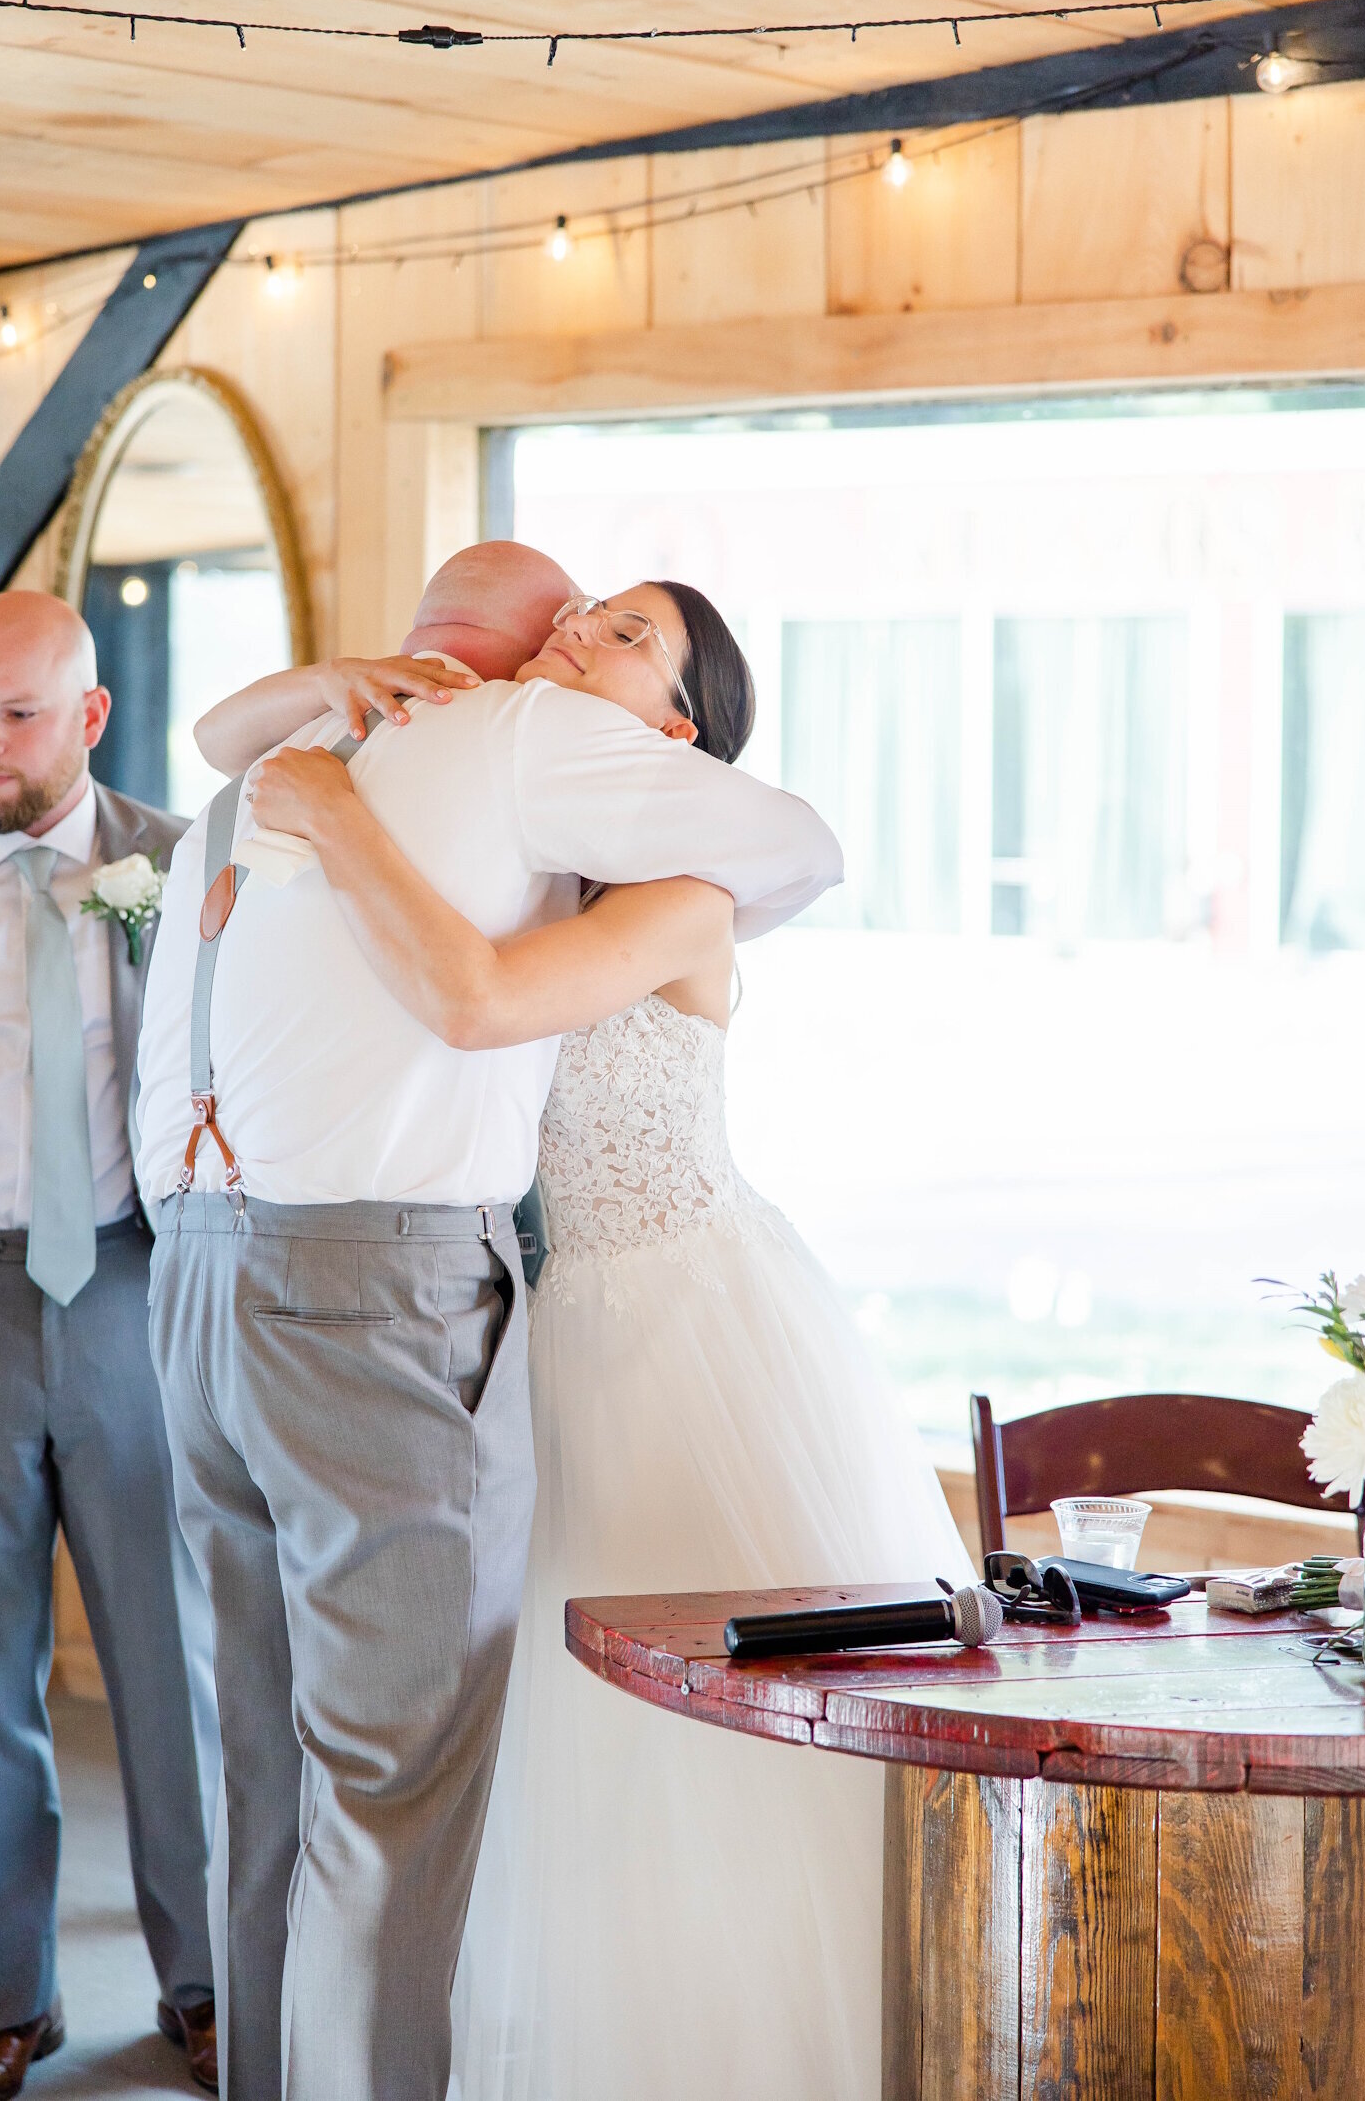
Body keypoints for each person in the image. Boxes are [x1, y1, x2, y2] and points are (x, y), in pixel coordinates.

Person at [233, 574, 976, 2101]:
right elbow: (230, 744)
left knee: (698, 1761)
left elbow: (479, 999)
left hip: (684, 1332)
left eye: (629, 635)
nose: (584, 630)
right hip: (538, 1333)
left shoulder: (686, 895)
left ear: (679, 727)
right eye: (588, 611)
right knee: (537, 1764)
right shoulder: (540, 852)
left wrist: (333, 812)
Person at [0, 591, 221, 2100]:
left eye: (17, 715)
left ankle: (207, 1978)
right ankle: (6, 2000)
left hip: (135, 1302)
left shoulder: (176, 860)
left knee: (176, 1666)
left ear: (87, 716)